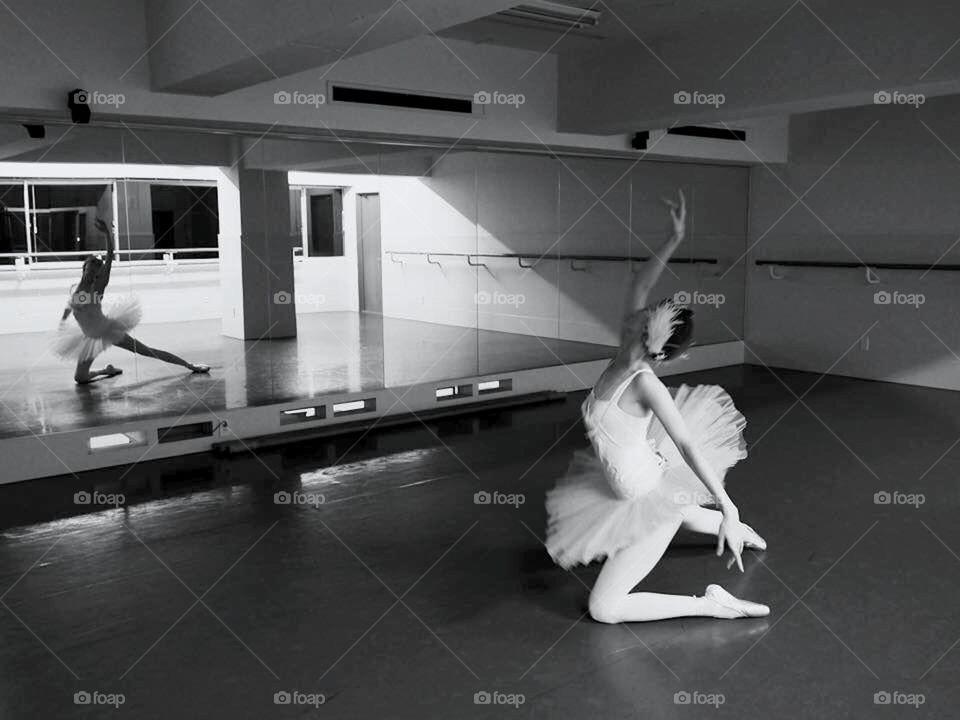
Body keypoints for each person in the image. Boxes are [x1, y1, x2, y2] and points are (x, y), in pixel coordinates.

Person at [545, 190, 769, 622]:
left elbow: (686, 443)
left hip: (645, 490)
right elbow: (640, 284)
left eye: (643, 318)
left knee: (604, 609)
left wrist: (727, 504)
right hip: (636, 478)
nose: (635, 317)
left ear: (653, 343)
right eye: (643, 315)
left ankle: (713, 604)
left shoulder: (645, 384)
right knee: (681, 506)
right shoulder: (626, 350)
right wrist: (675, 237)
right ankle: (746, 534)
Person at [52, 218, 210, 384]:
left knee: (146, 351)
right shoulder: (77, 291)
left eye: (96, 270)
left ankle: (190, 365)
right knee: (80, 378)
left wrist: (107, 233)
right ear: (84, 268)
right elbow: (70, 307)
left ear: (98, 273)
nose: (92, 272)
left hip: (107, 331)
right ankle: (107, 370)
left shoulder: (97, 288)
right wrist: (62, 322)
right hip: (91, 338)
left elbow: (110, 257)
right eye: (90, 268)